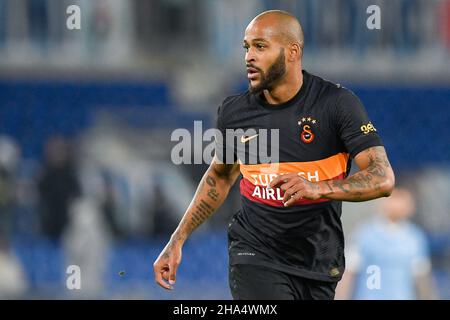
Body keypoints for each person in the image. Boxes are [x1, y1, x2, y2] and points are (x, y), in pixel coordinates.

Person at [153, 10, 395, 300]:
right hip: (255, 254)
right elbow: (219, 177)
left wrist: (317, 188)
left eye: (260, 46)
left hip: (318, 262)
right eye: (246, 47)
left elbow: (382, 178)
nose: (249, 57)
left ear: (292, 52)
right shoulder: (236, 113)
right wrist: (177, 239)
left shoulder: (335, 105)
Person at [335, 188, 438, 300]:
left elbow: (422, 279)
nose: (397, 206)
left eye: (402, 202)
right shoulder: (365, 234)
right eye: (394, 200)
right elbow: (349, 273)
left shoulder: (415, 238)